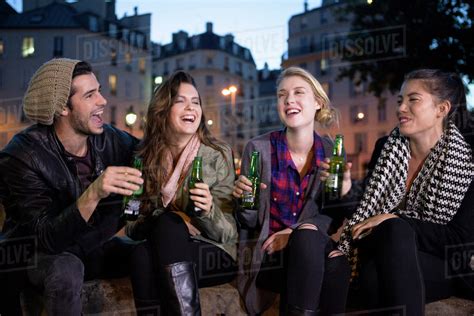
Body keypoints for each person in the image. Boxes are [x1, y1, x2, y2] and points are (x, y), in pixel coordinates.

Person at [0, 58, 142, 315]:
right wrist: (95, 192)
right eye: (90, 95)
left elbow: (149, 152)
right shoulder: (23, 156)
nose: (102, 101)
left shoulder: (109, 138)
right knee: (66, 269)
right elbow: (47, 238)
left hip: (92, 245)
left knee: (147, 252)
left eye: (99, 90)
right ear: (62, 108)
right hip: (37, 254)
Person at [337, 69, 474, 315]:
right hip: (379, 254)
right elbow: (363, 214)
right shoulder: (385, 148)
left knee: (391, 234)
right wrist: (346, 189)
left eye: (413, 100)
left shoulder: (467, 159)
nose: (401, 108)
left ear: (441, 109)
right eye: (400, 100)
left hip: (440, 262)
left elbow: (459, 240)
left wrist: (398, 220)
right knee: (372, 278)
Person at [233, 66, 351, 315]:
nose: (289, 100)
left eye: (299, 92)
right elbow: (248, 221)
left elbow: (333, 216)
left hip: (311, 246)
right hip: (269, 254)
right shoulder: (258, 148)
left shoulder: (332, 152)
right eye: (282, 95)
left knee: (321, 250)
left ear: (318, 102)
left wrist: (294, 232)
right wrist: (244, 201)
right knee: (334, 263)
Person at [125, 70, 238, 315]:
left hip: (213, 251)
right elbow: (132, 226)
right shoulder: (144, 158)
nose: (191, 108)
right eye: (180, 101)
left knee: (162, 230)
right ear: (163, 110)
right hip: (163, 246)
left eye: (195, 102)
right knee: (142, 254)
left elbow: (228, 233)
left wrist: (207, 212)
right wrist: (174, 220)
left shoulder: (217, 154)